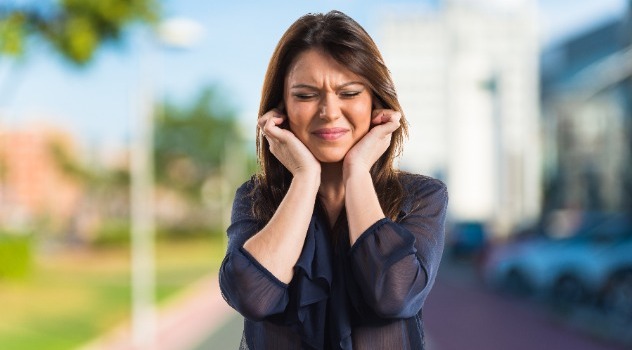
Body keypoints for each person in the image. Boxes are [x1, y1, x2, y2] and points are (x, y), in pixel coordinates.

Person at [219, 10, 448, 350]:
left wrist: (356, 172)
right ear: (281, 109)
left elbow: (393, 296)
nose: (328, 110)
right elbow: (253, 296)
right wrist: (305, 177)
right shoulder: (256, 198)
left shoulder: (422, 196)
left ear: (376, 101)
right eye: (306, 95)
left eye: (349, 92)